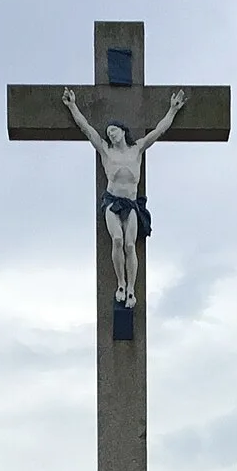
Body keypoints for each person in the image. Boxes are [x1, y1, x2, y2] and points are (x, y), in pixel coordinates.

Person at [61, 86, 187, 308]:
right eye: (109, 132)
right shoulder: (105, 151)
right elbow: (87, 129)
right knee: (117, 240)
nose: (110, 134)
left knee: (130, 245)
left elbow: (158, 131)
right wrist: (72, 106)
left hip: (131, 204)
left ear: (122, 130)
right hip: (112, 202)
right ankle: (120, 283)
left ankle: (131, 289)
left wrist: (172, 110)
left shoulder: (136, 149)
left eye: (114, 130)